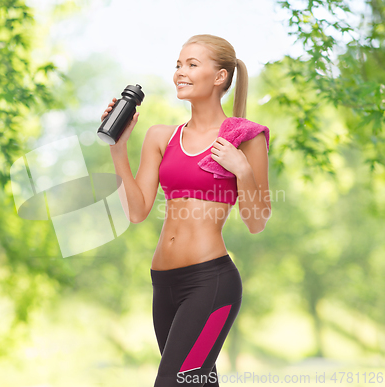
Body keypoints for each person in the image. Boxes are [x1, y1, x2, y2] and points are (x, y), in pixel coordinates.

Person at [101, 34, 271, 387]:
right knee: (196, 382)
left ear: (220, 77)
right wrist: (118, 150)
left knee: (171, 382)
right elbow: (137, 211)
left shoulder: (245, 139)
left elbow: (257, 221)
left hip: (211, 283)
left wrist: (241, 169)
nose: (180, 71)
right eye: (178, 64)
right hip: (163, 284)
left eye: (192, 64)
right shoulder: (161, 136)